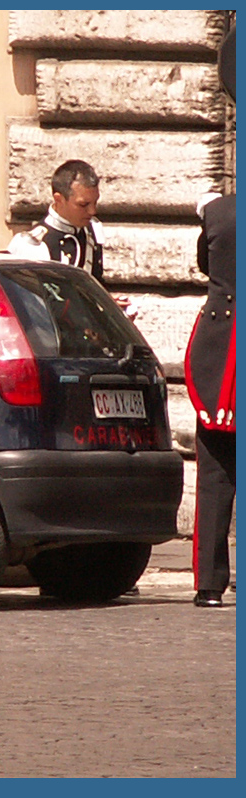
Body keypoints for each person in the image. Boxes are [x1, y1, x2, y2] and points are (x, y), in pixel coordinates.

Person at [186, 192, 236, 608]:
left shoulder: (216, 212)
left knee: (216, 472)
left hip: (221, 356)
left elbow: (206, 265)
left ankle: (210, 583)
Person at [9, 159, 135, 317]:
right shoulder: (32, 245)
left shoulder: (92, 230)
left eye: (95, 203)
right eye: (83, 205)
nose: (92, 211)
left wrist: (110, 308)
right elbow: (32, 311)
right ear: (59, 199)